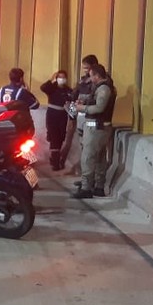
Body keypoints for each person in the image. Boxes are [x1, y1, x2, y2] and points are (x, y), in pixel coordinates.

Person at [72, 64, 117, 199]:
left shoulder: (104, 89)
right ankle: (99, 186)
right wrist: (85, 101)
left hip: (96, 128)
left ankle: (86, 188)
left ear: (97, 75)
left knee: (88, 157)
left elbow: (99, 107)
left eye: (91, 76)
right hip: (100, 127)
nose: (90, 79)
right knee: (99, 158)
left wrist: (82, 108)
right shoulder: (103, 88)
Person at [59, 54, 98, 172]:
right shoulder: (83, 80)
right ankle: (81, 170)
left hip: (92, 119)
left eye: (87, 68)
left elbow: (98, 103)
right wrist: (71, 113)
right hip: (80, 117)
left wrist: (82, 102)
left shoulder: (99, 82)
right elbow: (75, 95)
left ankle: (87, 173)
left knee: (89, 144)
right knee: (81, 142)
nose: (85, 70)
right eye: (84, 68)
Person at [40, 70, 74, 171]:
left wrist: (72, 118)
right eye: (60, 77)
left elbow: (71, 103)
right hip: (52, 115)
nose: (62, 79)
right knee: (54, 137)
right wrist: (52, 80)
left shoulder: (68, 90)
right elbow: (43, 88)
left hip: (63, 115)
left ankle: (54, 156)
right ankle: (55, 162)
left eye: (64, 77)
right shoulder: (52, 88)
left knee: (61, 137)